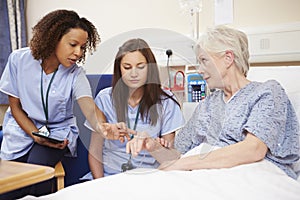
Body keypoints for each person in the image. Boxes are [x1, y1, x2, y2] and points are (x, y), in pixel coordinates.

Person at [127, 25, 300, 180]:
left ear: (228, 58)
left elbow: (253, 149)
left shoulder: (267, 92)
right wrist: (153, 147)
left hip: (253, 175)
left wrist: (183, 164)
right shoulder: (207, 105)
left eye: (204, 61)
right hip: (207, 176)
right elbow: (177, 157)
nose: (200, 70)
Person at [0, 9, 127, 199]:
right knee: (10, 185)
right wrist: (34, 135)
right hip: (22, 128)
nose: (78, 53)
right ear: (54, 38)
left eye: (83, 47)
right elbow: (15, 106)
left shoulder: (76, 74)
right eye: (73, 45)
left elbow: (89, 106)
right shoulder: (19, 60)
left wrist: (103, 127)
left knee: (37, 174)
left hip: (57, 133)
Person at [82, 38, 185, 179]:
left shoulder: (166, 101)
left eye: (141, 66)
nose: (134, 73)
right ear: (119, 68)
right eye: (127, 67)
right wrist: (100, 185)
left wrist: (154, 146)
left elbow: (170, 159)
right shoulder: (104, 98)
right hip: (108, 178)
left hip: (148, 179)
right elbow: (95, 151)